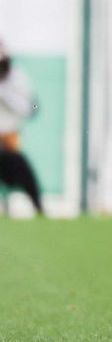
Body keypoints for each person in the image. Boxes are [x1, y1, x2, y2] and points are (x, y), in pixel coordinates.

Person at [0, 39, 43, 216]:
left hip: (9, 139)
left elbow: (34, 107)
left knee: (23, 169)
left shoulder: (17, 77)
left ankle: (39, 207)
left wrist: (7, 96)